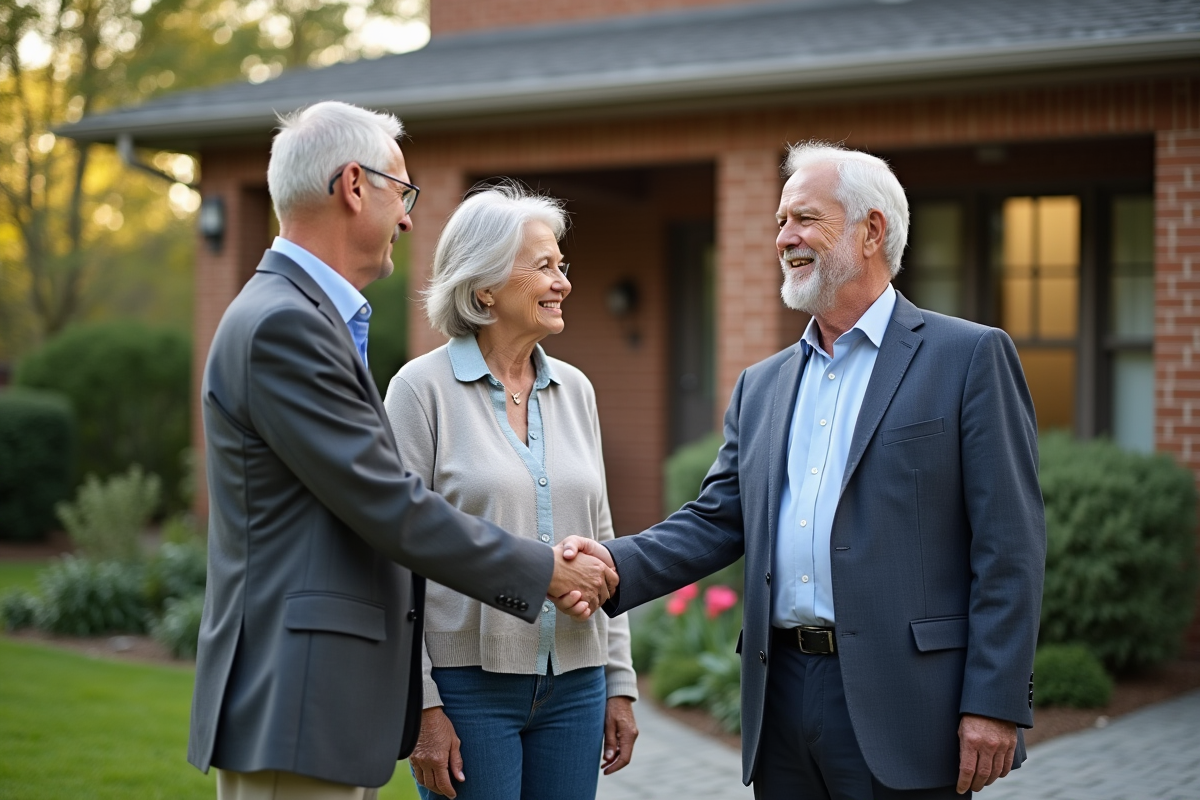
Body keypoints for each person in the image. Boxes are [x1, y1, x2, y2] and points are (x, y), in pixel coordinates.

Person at [564, 141, 1046, 799]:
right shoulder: (761, 385)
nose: (784, 237)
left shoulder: (968, 358)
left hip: (908, 701)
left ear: (870, 231)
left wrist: (994, 700)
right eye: (780, 222)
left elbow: (1010, 546)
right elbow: (718, 519)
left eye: (804, 219)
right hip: (782, 697)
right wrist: (613, 565)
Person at [187, 102, 617, 800]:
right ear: (354, 186)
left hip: (318, 697)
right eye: (402, 191)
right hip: (296, 695)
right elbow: (391, 506)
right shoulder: (286, 325)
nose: (409, 219)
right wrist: (542, 570)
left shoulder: (303, 316)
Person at [383, 183, 638, 800]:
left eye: (562, 266)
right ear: (485, 288)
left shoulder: (576, 389)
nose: (563, 283)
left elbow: (603, 538)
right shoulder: (420, 391)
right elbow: (393, 555)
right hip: (468, 690)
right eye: (544, 267)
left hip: (577, 683)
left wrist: (619, 681)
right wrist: (423, 704)